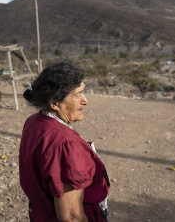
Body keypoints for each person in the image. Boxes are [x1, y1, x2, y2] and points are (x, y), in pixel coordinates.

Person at [19, 62, 110, 222]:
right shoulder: (66, 144)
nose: (85, 100)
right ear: (54, 102)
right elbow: (72, 217)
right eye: (78, 94)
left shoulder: (34, 121)